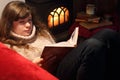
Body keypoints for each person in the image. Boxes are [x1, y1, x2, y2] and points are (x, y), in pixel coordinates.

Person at [0, 1, 120, 80]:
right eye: (22, 22)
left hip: (61, 65)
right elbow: (17, 74)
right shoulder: (8, 47)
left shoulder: (41, 31)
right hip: (49, 74)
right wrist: (33, 66)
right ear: (9, 24)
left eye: (30, 20)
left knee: (107, 33)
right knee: (92, 45)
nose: (28, 25)